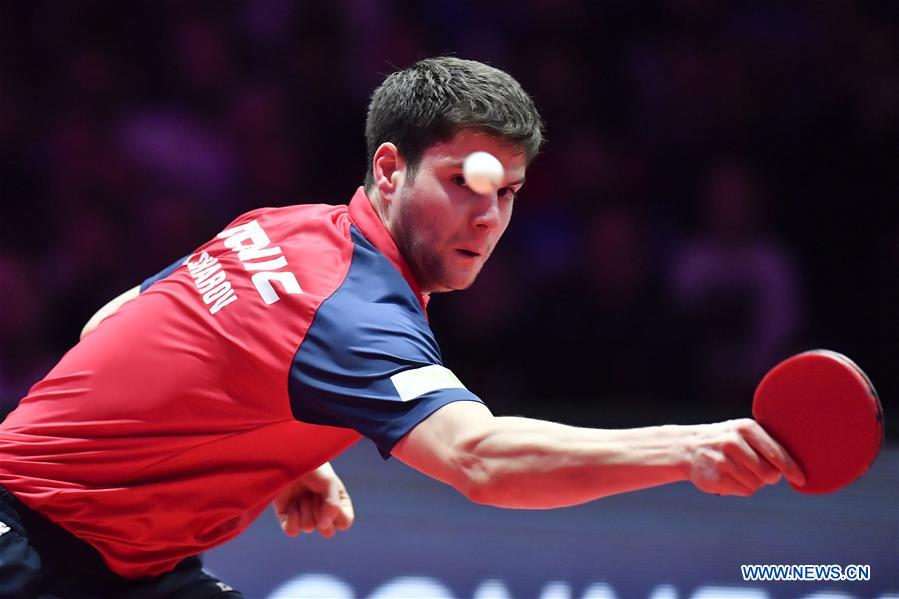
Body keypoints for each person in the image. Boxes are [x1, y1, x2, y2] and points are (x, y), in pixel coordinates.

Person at [0, 56, 804, 598]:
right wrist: (687, 449)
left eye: (509, 193)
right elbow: (479, 459)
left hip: (129, 563)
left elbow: (120, 317)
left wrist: (275, 445)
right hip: (25, 543)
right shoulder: (349, 310)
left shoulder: (287, 226)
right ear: (389, 168)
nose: (487, 217)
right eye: (463, 182)